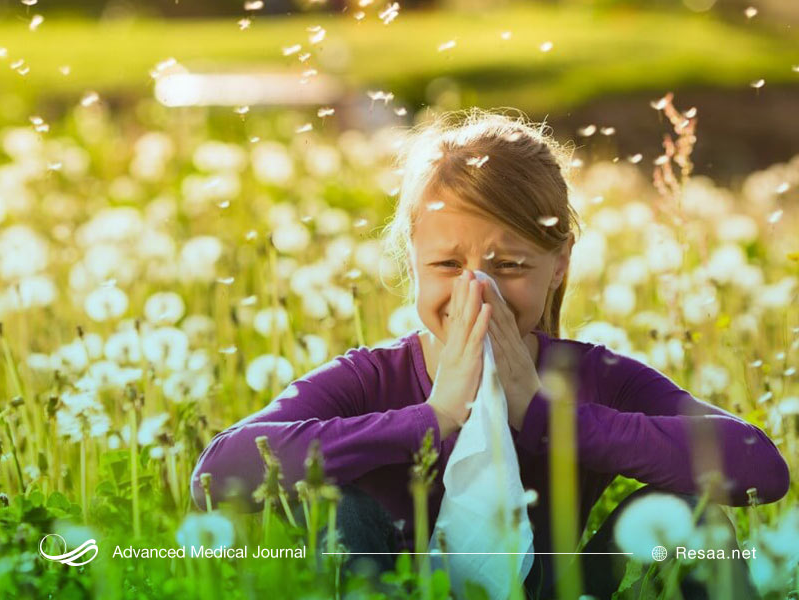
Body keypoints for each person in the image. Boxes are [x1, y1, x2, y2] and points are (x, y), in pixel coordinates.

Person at [190, 109, 789, 599]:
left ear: (558, 266)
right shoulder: (371, 377)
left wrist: (546, 415)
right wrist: (433, 418)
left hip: (562, 589)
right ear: (413, 260)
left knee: (692, 513)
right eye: (448, 265)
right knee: (340, 506)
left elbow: (760, 468)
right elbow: (217, 477)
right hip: (395, 587)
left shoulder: (591, 376)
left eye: (509, 266)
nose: (478, 291)